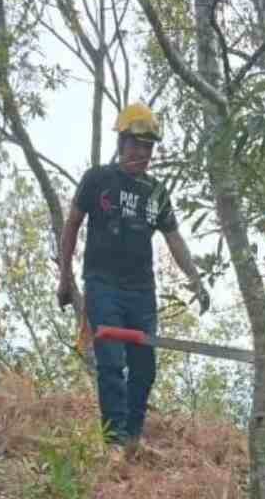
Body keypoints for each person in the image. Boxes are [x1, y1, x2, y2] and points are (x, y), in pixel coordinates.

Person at [57, 103, 210, 452]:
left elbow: (174, 238)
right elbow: (71, 226)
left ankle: (132, 440)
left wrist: (196, 280)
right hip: (102, 284)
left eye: (148, 146)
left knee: (145, 368)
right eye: (135, 144)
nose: (141, 153)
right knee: (110, 362)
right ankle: (113, 444)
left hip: (142, 290)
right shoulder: (98, 179)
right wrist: (65, 279)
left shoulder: (156, 193)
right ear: (122, 142)